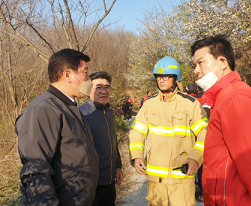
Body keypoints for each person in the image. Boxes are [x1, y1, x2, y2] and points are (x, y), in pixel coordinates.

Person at [191, 35, 251, 205]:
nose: (196, 71)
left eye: (200, 63)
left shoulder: (235, 98)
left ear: (222, 62)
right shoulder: (223, 97)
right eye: (194, 65)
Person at [15, 49, 99, 205]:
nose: (89, 78)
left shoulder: (71, 108)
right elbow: (36, 171)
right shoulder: (42, 109)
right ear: (67, 75)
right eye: (85, 72)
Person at [129, 56, 208, 206]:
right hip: (155, 179)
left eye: (166, 76)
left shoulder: (190, 104)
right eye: (158, 76)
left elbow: (205, 133)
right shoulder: (148, 104)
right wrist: (137, 156)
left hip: (182, 176)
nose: (161, 80)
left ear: (176, 78)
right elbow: (137, 132)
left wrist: (195, 158)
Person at [79, 71, 123, 206]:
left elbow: (113, 142)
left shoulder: (109, 112)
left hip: (109, 180)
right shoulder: (81, 114)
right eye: (98, 87)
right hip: (91, 183)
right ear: (89, 89)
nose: (103, 91)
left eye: (107, 87)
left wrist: (118, 166)